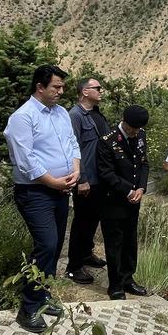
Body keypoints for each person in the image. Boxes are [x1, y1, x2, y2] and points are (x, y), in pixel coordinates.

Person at [4, 64, 80, 333]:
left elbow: (72, 143)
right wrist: (52, 181)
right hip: (36, 192)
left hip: (61, 189)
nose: (61, 91)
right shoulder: (22, 117)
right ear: (40, 87)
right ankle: (28, 307)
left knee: (56, 244)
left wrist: (75, 170)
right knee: (45, 245)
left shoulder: (60, 113)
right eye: (56, 87)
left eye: (62, 87)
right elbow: (25, 160)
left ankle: (44, 295)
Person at [93, 105, 150, 300]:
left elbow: (143, 164)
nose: (134, 132)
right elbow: (106, 173)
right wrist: (128, 190)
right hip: (113, 201)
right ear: (124, 121)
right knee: (114, 244)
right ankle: (115, 284)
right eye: (132, 128)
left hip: (134, 200)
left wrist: (141, 188)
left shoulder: (141, 136)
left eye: (138, 129)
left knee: (130, 242)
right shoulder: (107, 142)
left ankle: (128, 279)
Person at [64, 77, 111, 285]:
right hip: (87, 180)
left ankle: (86, 254)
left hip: (101, 179)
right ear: (84, 92)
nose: (101, 91)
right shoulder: (75, 116)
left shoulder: (96, 114)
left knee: (93, 220)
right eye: (97, 88)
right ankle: (73, 267)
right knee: (82, 222)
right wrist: (81, 179)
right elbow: (72, 150)